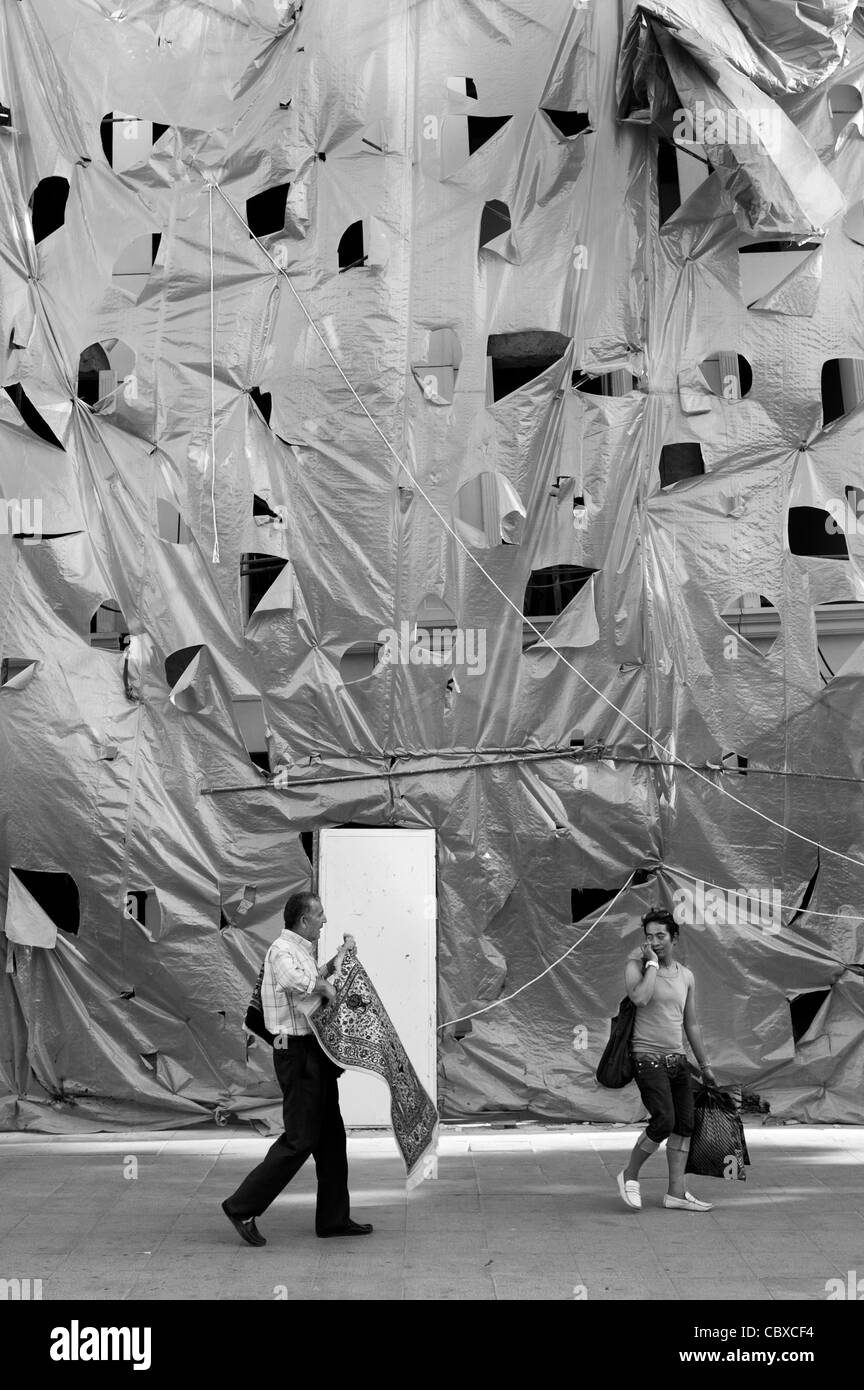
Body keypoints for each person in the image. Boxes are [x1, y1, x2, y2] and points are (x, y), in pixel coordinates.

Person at [222, 890, 373, 1245]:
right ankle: (242, 1206)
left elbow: (312, 977)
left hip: (312, 1053)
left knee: (332, 1138)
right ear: (304, 920)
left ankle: (334, 1219)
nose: (324, 921)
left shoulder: (299, 952)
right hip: (298, 1054)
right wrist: (325, 987)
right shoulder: (282, 951)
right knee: (300, 1139)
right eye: (319, 915)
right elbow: (296, 982)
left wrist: (338, 961)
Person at [616, 908, 717, 1213]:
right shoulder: (636, 966)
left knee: (684, 1125)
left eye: (661, 936)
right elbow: (640, 998)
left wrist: (706, 1067)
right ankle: (629, 1174)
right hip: (646, 1058)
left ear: (675, 938)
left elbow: (692, 1024)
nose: (655, 941)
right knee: (664, 1121)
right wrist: (650, 964)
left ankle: (676, 1193)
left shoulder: (686, 976)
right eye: (649, 937)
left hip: (677, 1060)